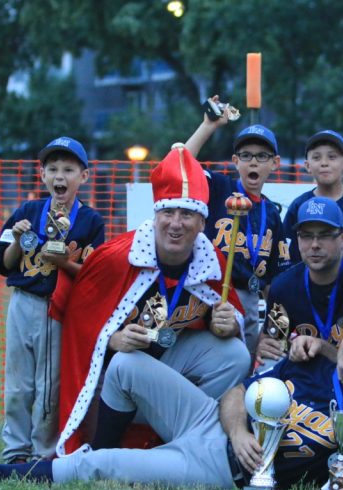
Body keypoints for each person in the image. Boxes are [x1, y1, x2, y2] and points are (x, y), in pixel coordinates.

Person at [0, 306, 343, 490]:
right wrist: (237, 430)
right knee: (128, 366)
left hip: (218, 468)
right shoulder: (307, 364)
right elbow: (237, 392)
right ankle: (89, 454)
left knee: (102, 467)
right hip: (214, 424)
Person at [55, 143, 250, 456]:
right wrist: (111, 339)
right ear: (155, 215)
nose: (175, 223)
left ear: (202, 223)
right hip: (117, 380)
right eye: (168, 212)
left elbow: (225, 317)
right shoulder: (115, 258)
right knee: (126, 363)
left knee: (235, 354)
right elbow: (79, 327)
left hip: (170, 364)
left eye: (187, 214)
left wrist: (224, 325)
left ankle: (192, 440)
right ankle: (104, 450)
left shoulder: (210, 260)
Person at [0, 136, 105, 463]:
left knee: (48, 387)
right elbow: (4, 263)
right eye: (53, 168)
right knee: (17, 385)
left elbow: (94, 273)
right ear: (42, 175)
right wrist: (16, 239)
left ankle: (43, 453)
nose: (60, 176)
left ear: (83, 177)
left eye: (69, 169)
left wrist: (64, 263)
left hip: (57, 308)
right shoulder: (27, 212)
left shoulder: (90, 221)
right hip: (23, 302)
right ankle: (15, 450)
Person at [185, 101, 291, 352]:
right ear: (235, 160)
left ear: (274, 163)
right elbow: (183, 165)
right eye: (246, 155)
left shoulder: (272, 213)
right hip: (212, 294)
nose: (253, 162)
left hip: (251, 299)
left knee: (248, 364)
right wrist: (208, 125)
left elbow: (275, 282)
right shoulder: (221, 187)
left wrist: (276, 332)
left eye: (262, 156)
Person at [254, 196, 343, 372]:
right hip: (309, 374)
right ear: (297, 239)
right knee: (268, 364)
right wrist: (267, 344)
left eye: (325, 235)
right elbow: (275, 339)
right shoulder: (283, 287)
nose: (314, 245)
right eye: (306, 236)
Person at [283, 130, 343, 263]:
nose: (324, 163)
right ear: (307, 165)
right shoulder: (299, 206)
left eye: (332, 157)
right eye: (316, 157)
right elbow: (289, 255)